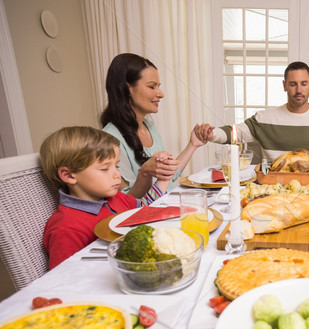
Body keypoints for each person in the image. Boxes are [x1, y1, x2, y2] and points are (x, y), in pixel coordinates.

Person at [197, 61, 309, 162]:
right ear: (284, 86)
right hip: (272, 186)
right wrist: (212, 134)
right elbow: (234, 132)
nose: (299, 90)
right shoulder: (264, 118)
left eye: (304, 84)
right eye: (293, 84)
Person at [101, 53, 206, 202]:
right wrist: (144, 173)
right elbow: (124, 202)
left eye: (159, 86)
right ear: (127, 88)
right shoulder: (110, 139)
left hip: (170, 203)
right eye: (152, 86)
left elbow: (168, 177)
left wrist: (193, 144)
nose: (161, 94)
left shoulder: (148, 125)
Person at [40, 126, 141, 269]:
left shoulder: (115, 197)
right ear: (68, 175)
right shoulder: (67, 228)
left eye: (116, 166)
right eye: (105, 168)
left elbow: (145, 213)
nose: (117, 175)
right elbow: (63, 279)